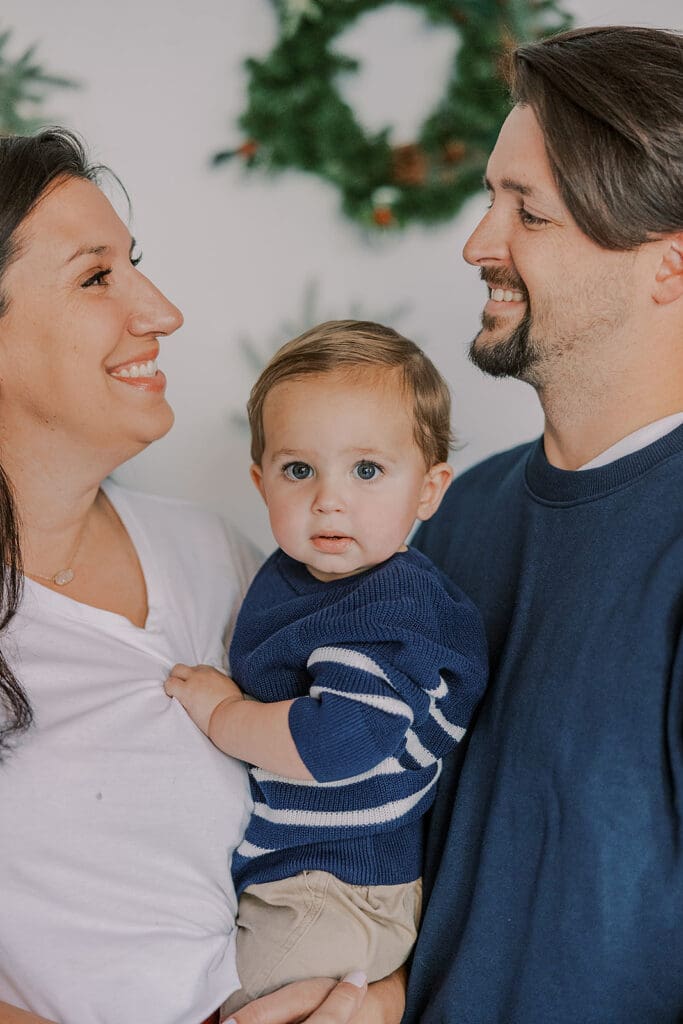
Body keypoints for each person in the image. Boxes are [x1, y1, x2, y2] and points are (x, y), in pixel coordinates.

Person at [0, 132, 402, 1024]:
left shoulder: (219, 557)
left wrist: (373, 1002)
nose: (162, 311)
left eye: (133, 265)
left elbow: (376, 812)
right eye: (96, 276)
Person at [400, 24, 683, 1024]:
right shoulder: (454, 514)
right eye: (488, 197)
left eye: (527, 210)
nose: (478, 242)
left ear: (668, 262)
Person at [164, 321, 488, 1015]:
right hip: (303, 879)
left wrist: (224, 715)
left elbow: (337, 741)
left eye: (366, 470)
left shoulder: (390, 604)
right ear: (260, 480)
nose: (329, 498)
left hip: (338, 891)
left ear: (428, 491)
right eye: (298, 469)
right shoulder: (303, 576)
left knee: (219, 1005)